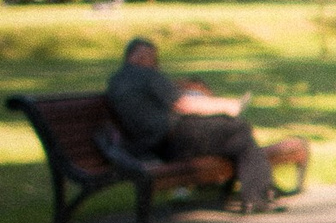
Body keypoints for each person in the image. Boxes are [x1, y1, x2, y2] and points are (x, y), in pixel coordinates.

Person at [103, 37, 278, 212]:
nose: (155, 63)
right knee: (238, 127)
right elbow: (184, 104)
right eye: (152, 58)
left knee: (240, 140)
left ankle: (259, 195)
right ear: (138, 56)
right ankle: (258, 197)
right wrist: (228, 105)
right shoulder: (145, 75)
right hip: (177, 138)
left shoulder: (116, 80)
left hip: (156, 147)